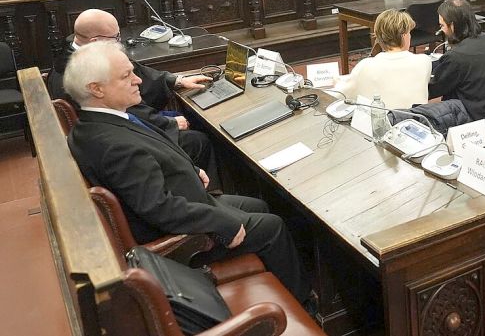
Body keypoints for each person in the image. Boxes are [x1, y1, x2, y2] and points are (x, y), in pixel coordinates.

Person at [63, 41, 310, 302]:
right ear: (96, 89)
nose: (138, 80)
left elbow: (153, 152)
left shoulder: (97, 122)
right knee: (273, 227)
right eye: (126, 76)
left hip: (187, 197)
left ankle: (278, 271)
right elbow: (158, 208)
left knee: (258, 205)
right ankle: (304, 303)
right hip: (179, 233)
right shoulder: (114, 146)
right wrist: (221, 222)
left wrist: (190, 168)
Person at [46, 9, 219, 186]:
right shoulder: (79, 71)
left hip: (114, 128)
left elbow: (136, 74)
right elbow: (123, 109)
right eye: (115, 37)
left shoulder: (79, 51)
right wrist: (168, 124)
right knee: (199, 140)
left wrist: (177, 80)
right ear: (96, 41)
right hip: (120, 135)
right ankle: (207, 191)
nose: (120, 41)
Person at [429, 0, 485, 121]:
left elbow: (435, 88)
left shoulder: (456, 56)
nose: (442, 30)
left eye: (442, 26)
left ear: (453, 25)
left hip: (478, 119)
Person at [334, 9, 432, 108]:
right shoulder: (424, 62)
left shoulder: (365, 66)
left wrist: (336, 81)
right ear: (405, 35)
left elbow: (339, 94)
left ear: (378, 37)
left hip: (377, 121)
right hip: (415, 121)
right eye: (410, 33)